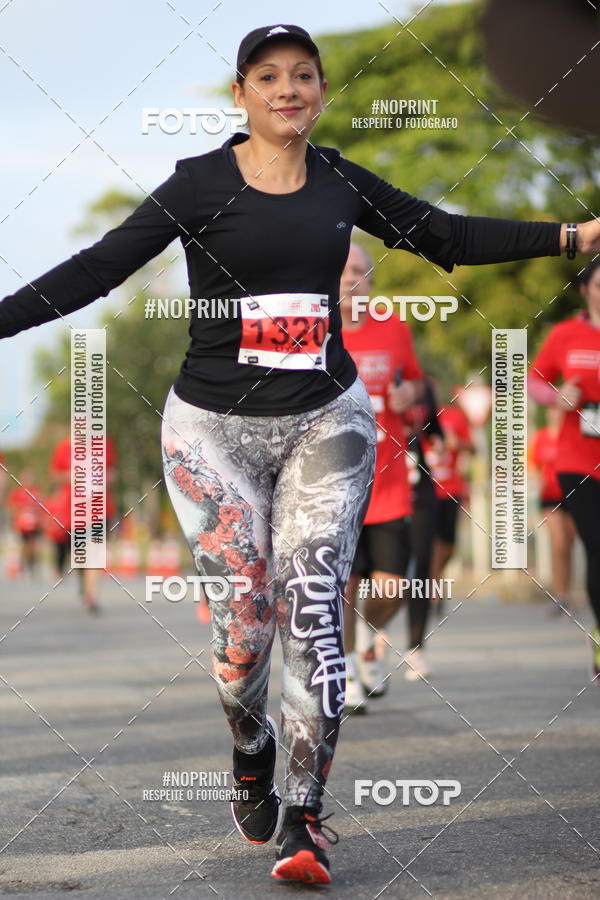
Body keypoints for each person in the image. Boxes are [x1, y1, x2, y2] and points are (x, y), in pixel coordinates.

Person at [1, 22, 600, 885]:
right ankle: (250, 747)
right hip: (211, 429)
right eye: (270, 76)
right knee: (245, 628)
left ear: (320, 93)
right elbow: (95, 269)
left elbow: (447, 235)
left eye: (305, 76)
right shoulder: (198, 184)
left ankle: (304, 818)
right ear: (242, 92)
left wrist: (574, 238)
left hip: (327, 418)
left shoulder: (337, 182)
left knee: (316, 606)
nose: (289, 89)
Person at [340, 242, 425, 713]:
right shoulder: (316, 334)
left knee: (392, 588)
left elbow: (416, 382)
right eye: (343, 269)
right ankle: (349, 670)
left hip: (389, 483)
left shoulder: (394, 329)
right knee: (345, 584)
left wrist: (407, 393)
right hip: (335, 486)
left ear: (372, 280)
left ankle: (372, 638)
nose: (351, 278)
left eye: (360, 272)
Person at [529, 258, 600, 681]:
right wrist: (557, 395)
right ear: (586, 289)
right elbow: (533, 380)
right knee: (597, 545)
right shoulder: (564, 334)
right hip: (577, 460)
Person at [402, 378, 445, 680]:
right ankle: (366, 642)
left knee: (420, 571)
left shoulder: (424, 387)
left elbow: (434, 428)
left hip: (420, 489)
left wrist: (439, 442)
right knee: (377, 572)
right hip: (376, 487)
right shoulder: (360, 371)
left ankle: (416, 648)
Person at [49, 434, 117, 613]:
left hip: (99, 509)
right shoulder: (64, 447)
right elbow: (54, 475)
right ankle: (83, 581)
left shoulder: (104, 444)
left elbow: (112, 472)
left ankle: (92, 596)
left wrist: (104, 478)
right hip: (74, 510)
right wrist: (71, 476)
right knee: (80, 554)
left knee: (95, 550)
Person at [427, 394, 474, 615]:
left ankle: (431, 580)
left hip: (453, 489)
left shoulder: (454, 416)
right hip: (428, 491)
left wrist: (459, 443)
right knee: (435, 545)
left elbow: (474, 449)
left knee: (449, 547)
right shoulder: (417, 414)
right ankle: (433, 596)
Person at [529, 408, 576, 617]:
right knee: (559, 543)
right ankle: (560, 595)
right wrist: (537, 479)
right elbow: (531, 466)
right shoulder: (541, 438)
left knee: (569, 545)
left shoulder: (573, 437)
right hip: (550, 496)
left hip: (574, 493)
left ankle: (567, 593)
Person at [6, 471, 44, 576]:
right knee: (23, 546)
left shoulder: (36, 491)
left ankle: (33, 566)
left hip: (35, 525)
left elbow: (42, 506)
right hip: (22, 525)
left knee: (33, 547)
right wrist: (20, 511)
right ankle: (22, 566)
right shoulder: (18, 492)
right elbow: (11, 507)